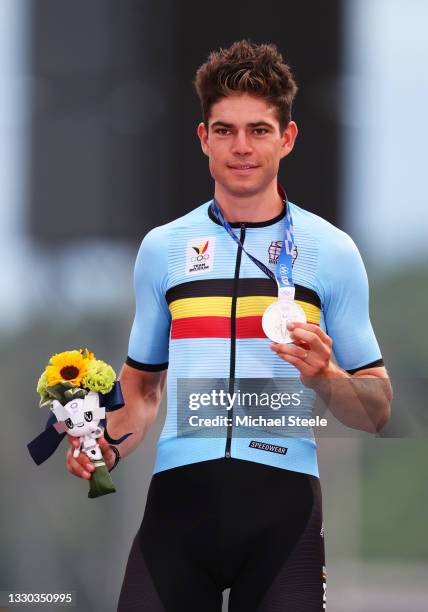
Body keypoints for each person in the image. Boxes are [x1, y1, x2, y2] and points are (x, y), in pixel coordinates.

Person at [66, 40, 392, 611]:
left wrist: (326, 376)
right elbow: (142, 388)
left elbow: (377, 407)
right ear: (203, 139)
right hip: (179, 512)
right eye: (225, 130)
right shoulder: (162, 248)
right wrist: (105, 445)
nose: (241, 147)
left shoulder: (331, 251)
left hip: (282, 516)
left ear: (287, 138)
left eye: (259, 130)